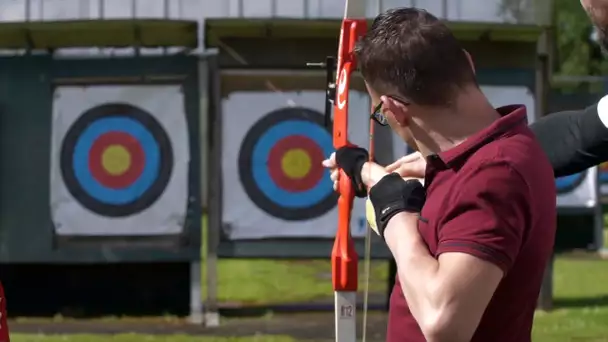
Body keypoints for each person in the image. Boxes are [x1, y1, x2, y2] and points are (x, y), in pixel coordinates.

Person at [323, 7, 556, 342]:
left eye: (380, 114)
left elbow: (443, 322)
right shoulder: (486, 159)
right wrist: (371, 178)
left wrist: (394, 213)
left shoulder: (493, 175)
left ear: (394, 110)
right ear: (468, 63)